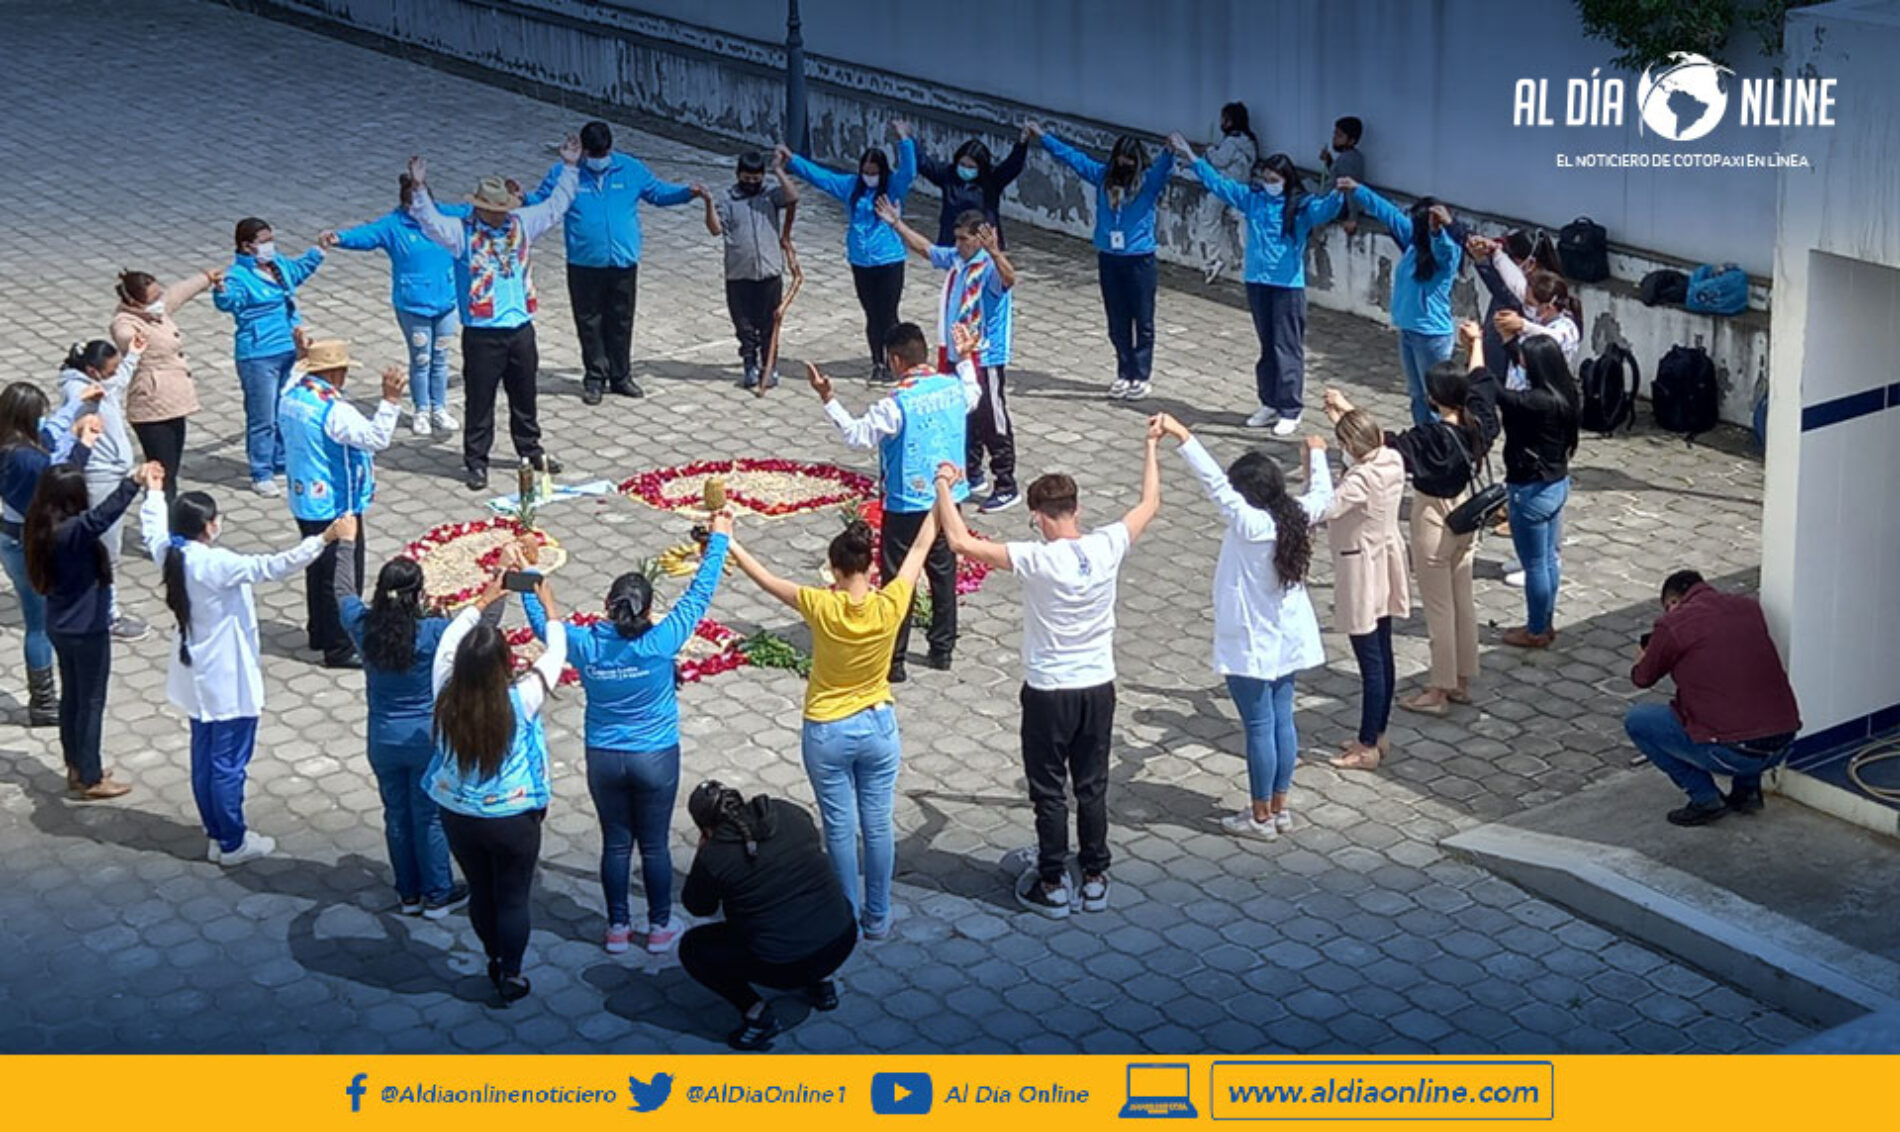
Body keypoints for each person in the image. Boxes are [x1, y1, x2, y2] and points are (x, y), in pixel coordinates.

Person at [931, 433, 1161, 918]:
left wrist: (943, 486)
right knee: (1092, 785)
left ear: (1038, 515)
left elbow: (958, 541)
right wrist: (1151, 447)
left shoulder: (1037, 558)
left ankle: (1053, 881)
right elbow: (1150, 503)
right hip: (1098, 685)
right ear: (1076, 509)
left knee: (1049, 790)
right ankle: (1096, 875)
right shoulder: (1107, 546)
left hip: (1049, 690)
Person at [523, 511, 733, 954]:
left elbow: (544, 627)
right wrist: (719, 539)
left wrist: (526, 570)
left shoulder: (583, 643)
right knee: (654, 845)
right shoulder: (662, 640)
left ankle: (617, 928)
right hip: (655, 756)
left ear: (606, 604)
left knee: (615, 843)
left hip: (604, 756)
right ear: (650, 608)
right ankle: (659, 928)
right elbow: (700, 592)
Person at [726, 509, 937, 940]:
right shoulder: (891, 602)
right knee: (878, 826)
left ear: (836, 571)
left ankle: (845, 916)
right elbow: (918, 547)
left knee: (839, 829)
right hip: (878, 726)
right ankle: (878, 915)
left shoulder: (821, 606)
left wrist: (727, 540)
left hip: (827, 728)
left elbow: (766, 580)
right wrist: (941, 495)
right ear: (872, 566)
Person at [141, 485, 346, 866]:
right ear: (207, 526)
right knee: (228, 762)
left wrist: (153, 492)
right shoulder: (215, 563)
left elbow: (151, 528)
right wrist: (323, 539)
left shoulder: (170, 552)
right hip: (226, 674)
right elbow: (272, 566)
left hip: (195, 669)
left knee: (204, 756)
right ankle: (234, 841)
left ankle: (216, 832)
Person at [1154, 413, 1333, 840]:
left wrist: (1183, 435)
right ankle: (1280, 806)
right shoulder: (1297, 514)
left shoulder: (1248, 522)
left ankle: (1259, 816)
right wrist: (1320, 453)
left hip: (1251, 640)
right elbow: (1322, 492)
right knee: (1282, 720)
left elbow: (1212, 480)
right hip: (1288, 635)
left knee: (1258, 727)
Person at [1327, 321, 1500, 716]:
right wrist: (1474, 342)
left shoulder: (1429, 438)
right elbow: (1482, 378)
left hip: (1434, 519)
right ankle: (1461, 679)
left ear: (1435, 399)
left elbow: (1380, 443)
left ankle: (1438, 689)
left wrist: (1344, 409)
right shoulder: (1481, 420)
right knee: (1463, 601)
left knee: (1438, 608)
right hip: (1467, 516)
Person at [405, 138, 582, 492]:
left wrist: (570, 167)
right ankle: (476, 461)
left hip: (520, 328)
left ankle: (531, 450)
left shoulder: (521, 224)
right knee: (480, 399)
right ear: (481, 208)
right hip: (483, 333)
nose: (500, 214)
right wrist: (419, 188)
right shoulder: (461, 233)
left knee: (525, 394)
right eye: (494, 209)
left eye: (503, 207)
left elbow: (555, 207)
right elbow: (429, 222)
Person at [426, 570, 567, 1006]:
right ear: (505, 664)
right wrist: (550, 610)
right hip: (513, 816)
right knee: (512, 896)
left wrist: (482, 600)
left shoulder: (444, 691)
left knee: (482, 890)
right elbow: (557, 653)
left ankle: (491, 954)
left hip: (457, 812)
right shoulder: (522, 696)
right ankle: (511, 970)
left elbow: (450, 640)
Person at [810, 322, 977, 678]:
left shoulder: (896, 403)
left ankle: (895, 659)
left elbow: (857, 436)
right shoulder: (952, 388)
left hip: (907, 502)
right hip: (947, 497)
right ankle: (942, 649)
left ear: (896, 359)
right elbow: (974, 391)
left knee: (898, 579)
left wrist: (828, 398)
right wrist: (964, 359)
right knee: (943, 570)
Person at [334, 518, 473, 919]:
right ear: (419, 596)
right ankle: (437, 893)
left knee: (395, 814)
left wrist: (346, 544)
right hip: (426, 739)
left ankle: (407, 893)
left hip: (382, 739)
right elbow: (481, 623)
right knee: (428, 816)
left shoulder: (363, 627)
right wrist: (502, 580)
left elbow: (342, 590)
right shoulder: (432, 633)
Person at [526, 121, 708, 404]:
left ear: (610, 148)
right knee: (589, 321)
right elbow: (542, 201)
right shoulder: (565, 174)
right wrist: (519, 198)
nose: (599, 160)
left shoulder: (630, 169)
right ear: (584, 151)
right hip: (584, 262)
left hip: (623, 261)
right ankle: (595, 377)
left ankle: (621, 376)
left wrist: (687, 193)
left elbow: (657, 193)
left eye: (603, 154)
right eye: (593, 155)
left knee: (621, 320)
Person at [1172, 134, 1345, 432]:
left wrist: (1340, 193)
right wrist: (1193, 158)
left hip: (1287, 286)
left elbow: (1326, 210)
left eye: (1275, 178)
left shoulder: (1300, 206)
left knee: (1286, 347)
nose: (1269, 183)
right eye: (1266, 178)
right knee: (1267, 346)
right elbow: (1221, 185)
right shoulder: (1254, 200)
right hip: (1257, 282)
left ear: (1286, 180)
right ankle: (1269, 401)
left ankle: (1290, 408)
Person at [678, 781, 858, 1051]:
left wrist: (704, 850)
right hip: (842, 936)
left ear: (705, 828)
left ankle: (756, 1014)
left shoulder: (715, 857)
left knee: (693, 948)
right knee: (810, 901)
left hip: (787, 964)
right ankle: (823, 986)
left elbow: (698, 906)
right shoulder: (788, 813)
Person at [25, 459, 159, 799]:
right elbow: (103, 517)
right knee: (91, 702)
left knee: (72, 696)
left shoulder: (40, 523)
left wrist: (82, 447)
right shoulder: (72, 532)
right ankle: (90, 776)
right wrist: (133, 482)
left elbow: (69, 481)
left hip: (59, 623)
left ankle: (76, 764)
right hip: (86, 629)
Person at [874, 200, 1020, 511]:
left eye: (964, 239)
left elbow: (1010, 279)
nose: (957, 244)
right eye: (956, 238)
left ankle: (1006, 483)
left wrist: (995, 252)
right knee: (963, 414)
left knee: (992, 419)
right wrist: (896, 224)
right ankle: (973, 471)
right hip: (956, 351)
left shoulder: (988, 267)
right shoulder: (957, 259)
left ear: (980, 238)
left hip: (984, 356)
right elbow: (927, 249)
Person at [1627, 571, 1802, 826]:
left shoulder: (1674, 623)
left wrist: (1643, 656)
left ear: (1673, 603)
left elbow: (1642, 678)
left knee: (1638, 720)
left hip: (1731, 753)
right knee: (1743, 696)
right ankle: (1748, 793)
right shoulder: (1748, 608)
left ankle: (1704, 798)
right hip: (1783, 742)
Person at [1027, 121, 1176, 400]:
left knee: (1142, 320)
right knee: (1117, 320)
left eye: (1130, 159)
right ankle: (1124, 371)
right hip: (1109, 258)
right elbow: (1073, 159)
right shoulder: (1103, 177)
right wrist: (1044, 138)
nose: (1125, 163)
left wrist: (1169, 152)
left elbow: (1163, 169)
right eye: (1121, 157)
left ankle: (1141, 375)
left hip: (1140, 259)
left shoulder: (1147, 183)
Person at [278, 339, 404, 669]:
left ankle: (318, 630)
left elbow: (294, 370)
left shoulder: (292, 391)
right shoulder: (335, 410)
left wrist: (300, 356)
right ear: (336, 373)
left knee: (315, 564)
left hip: (303, 497)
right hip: (337, 504)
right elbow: (376, 438)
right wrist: (390, 402)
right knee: (342, 574)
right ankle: (338, 645)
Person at [318, 174, 462, 435]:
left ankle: (439, 408)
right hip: (413, 306)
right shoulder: (394, 226)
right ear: (408, 205)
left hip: (446, 303)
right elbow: (367, 235)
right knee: (421, 358)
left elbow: (478, 212)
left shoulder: (446, 216)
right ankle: (421, 410)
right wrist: (340, 238)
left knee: (441, 357)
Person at [779, 123, 919, 383]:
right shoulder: (851, 187)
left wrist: (904, 141)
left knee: (888, 314)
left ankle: (893, 361)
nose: (869, 176)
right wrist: (794, 161)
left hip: (889, 261)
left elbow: (910, 171)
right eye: (865, 171)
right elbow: (820, 177)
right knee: (871, 314)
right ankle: (877, 362)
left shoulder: (892, 188)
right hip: (861, 262)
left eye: (874, 172)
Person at [1314, 408, 1409, 771]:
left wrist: (1318, 461)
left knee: (1370, 659)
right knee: (1383, 652)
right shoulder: (1392, 460)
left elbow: (1325, 507)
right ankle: (1378, 730)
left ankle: (1367, 744)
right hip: (1385, 558)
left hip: (1362, 567)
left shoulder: (1360, 480)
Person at [212, 218, 326, 496]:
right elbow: (229, 301)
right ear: (246, 246)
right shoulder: (238, 276)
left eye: (270, 239)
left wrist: (318, 252)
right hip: (258, 354)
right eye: (263, 241)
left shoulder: (278, 265)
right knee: (262, 416)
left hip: (288, 347)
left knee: (284, 410)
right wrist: (220, 289)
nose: (269, 246)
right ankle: (260, 471)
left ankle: (281, 461)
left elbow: (298, 271)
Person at [1341, 180, 1467, 429]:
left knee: (1437, 397)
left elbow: (1444, 248)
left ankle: (1442, 442)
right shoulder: (1414, 246)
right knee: (1417, 395)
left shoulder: (1446, 254)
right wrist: (1357, 189)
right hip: (1408, 332)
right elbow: (1388, 213)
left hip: (1431, 336)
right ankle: (1423, 440)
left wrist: (1438, 230)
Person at [0, 382, 90, 726]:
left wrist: (74, 407)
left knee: (34, 616)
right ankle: (43, 703)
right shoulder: (28, 460)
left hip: (9, 536)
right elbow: (61, 481)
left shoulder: (9, 443)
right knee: (39, 624)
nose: (43, 418)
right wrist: (83, 446)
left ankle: (45, 698)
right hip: (32, 542)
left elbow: (50, 429)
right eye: (37, 412)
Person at [56, 339, 150, 642]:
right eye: (108, 371)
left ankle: (100, 607)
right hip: (100, 477)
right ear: (93, 371)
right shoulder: (78, 391)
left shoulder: (101, 382)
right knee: (106, 550)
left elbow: (119, 381)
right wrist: (84, 400)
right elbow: (76, 405)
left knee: (109, 548)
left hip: (114, 471)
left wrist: (133, 354)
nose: (113, 376)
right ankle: (107, 616)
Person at [110, 266, 222, 499]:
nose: (159, 300)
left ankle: (168, 517)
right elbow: (122, 334)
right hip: (151, 406)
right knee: (161, 473)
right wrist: (134, 341)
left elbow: (178, 293)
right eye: (153, 298)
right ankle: (160, 520)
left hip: (174, 402)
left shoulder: (157, 312)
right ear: (135, 301)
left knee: (171, 470)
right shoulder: (126, 321)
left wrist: (206, 278)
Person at [1496, 335, 1578, 648]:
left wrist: (1476, 347)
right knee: (1548, 560)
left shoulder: (1532, 403)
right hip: (1556, 483)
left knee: (1534, 564)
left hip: (1529, 491)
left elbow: (1490, 388)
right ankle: (1545, 621)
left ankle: (1535, 629)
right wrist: (1508, 344)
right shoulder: (1566, 395)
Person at [704, 151, 798, 390]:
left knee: (770, 324)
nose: (751, 183)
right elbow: (715, 229)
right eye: (747, 178)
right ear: (738, 176)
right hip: (739, 275)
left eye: (756, 179)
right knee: (744, 326)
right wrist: (707, 203)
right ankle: (749, 365)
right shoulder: (727, 199)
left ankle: (769, 366)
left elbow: (792, 195)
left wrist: (778, 170)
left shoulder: (770, 196)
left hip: (769, 273)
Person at [914, 130, 1029, 249]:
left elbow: (1013, 166)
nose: (965, 169)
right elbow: (925, 164)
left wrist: (1022, 144)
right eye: (962, 164)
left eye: (971, 167)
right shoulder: (949, 176)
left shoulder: (992, 180)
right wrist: (908, 140)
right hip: (952, 241)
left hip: (983, 243)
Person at [1196, 102, 1258, 283]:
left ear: (1230, 121)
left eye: (1224, 119)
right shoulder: (1250, 141)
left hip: (1224, 186)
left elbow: (1219, 160)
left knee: (1210, 220)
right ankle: (1249, 262)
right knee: (1244, 225)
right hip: (1242, 189)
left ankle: (1212, 260)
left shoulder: (1232, 141)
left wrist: (1209, 150)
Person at [1320, 116, 1367, 235]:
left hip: (1335, 207)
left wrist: (1352, 218)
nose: (1334, 139)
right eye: (1335, 134)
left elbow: (1351, 189)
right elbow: (1338, 175)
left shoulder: (1347, 159)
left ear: (1351, 141)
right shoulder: (1352, 156)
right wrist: (1329, 161)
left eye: (1340, 136)